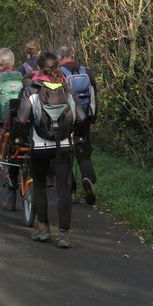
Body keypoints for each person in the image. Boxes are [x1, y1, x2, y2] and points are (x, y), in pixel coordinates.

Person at [13, 51, 86, 248]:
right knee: (63, 188)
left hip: (39, 145)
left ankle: (43, 229)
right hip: (63, 144)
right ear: (57, 67)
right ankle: (64, 235)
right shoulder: (67, 87)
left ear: (38, 68)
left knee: (39, 185)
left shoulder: (32, 89)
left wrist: (20, 132)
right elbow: (80, 117)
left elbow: (21, 118)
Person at [56, 46, 98, 205]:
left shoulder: (58, 73)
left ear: (59, 58)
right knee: (84, 153)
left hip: (66, 120)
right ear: (73, 56)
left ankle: (72, 192)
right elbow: (95, 96)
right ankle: (87, 178)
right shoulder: (86, 71)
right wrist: (92, 119)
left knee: (66, 157)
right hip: (85, 119)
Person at [0, 48, 24, 211]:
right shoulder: (23, 77)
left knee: (7, 158)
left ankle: (10, 195)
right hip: (22, 123)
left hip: (3, 127)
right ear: (13, 62)